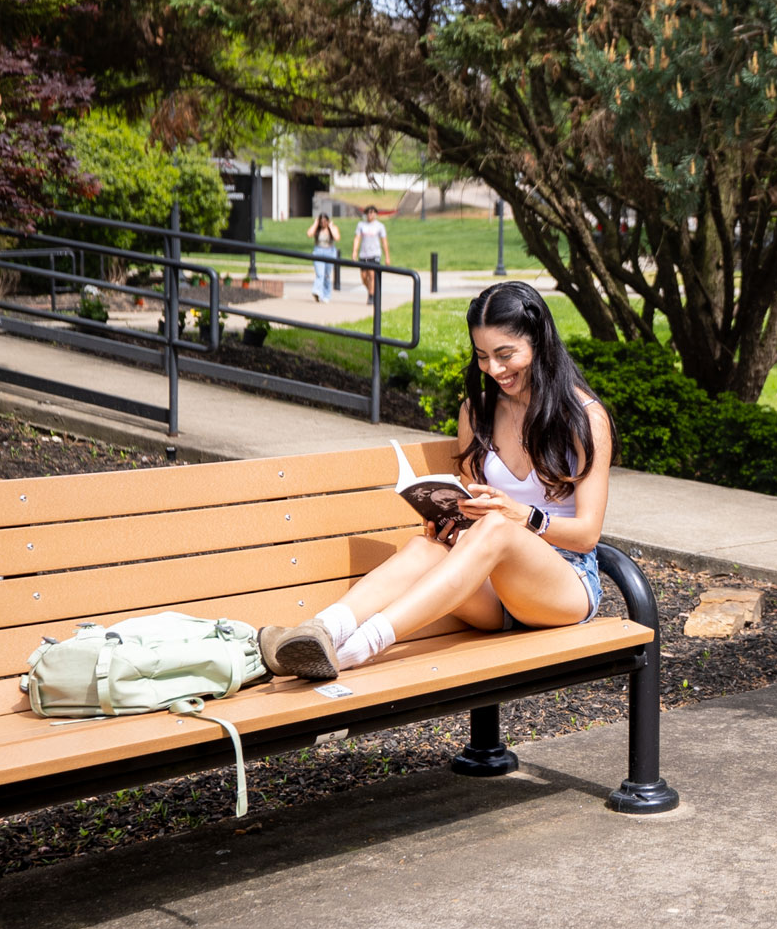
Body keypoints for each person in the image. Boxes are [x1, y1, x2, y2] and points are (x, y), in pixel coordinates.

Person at [258, 281, 612, 679]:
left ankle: (354, 651)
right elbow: (474, 505)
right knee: (424, 547)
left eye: (505, 354)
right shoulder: (476, 411)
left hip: (564, 585)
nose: (494, 369)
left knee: (497, 528)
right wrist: (451, 519)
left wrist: (523, 517)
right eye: (482, 356)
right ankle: (318, 632)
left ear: (539, 342)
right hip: (492, 587)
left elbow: (587, 535)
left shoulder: (584, 417)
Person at [352, 205, 390, 300]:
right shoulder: (361, 225)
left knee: (371, 274)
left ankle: (371, 296)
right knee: (364, 277)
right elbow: (357, 238)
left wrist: (387, 257)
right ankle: (372, 291)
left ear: (375, 214)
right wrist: (354, 252)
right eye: (368, 212)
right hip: (364, 254)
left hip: (374, 254)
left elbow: (384, 242)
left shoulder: (380, 226)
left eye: (372, 212)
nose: (370, 214)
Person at [306, 213, 340, 302]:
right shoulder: (317, 229)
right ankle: (317, 291)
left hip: (330, 252)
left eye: (325, 221)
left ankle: (326, 295)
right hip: (318, 251)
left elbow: (337, 238)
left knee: (327, 275)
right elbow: (309, 234)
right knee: (320, 273)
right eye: (321, 222)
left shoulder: (332, 228)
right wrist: (315, 223)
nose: (323, 223)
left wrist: (331, 227)